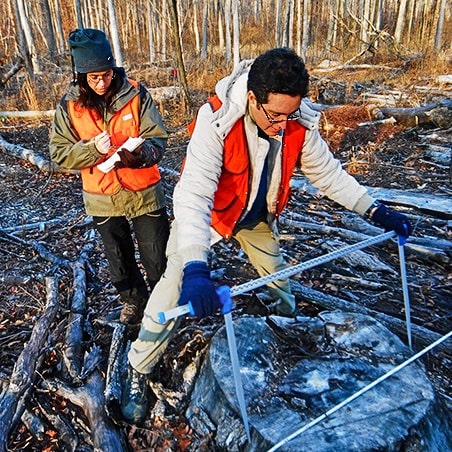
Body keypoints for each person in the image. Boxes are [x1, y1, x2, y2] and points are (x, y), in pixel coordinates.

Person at [120, 48, 412, 423]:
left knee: (279, 284)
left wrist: (373, 209)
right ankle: (138, 367)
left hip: (257, 218)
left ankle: (284, 333)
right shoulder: (217, 119)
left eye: (289, 115)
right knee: (171, 291)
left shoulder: (297, 122)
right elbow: (194, 194)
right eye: (275, 115)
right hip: (213, 217)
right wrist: (196, 266)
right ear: (253, 98)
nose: (281, 124)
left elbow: (327, 173)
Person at [49, 29, 169, 326]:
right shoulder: (70, 105)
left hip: (144, 191)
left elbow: (158, 139)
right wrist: (91, 150)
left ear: (113, 67)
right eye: (94, 78)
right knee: (118, 259)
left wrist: (142, 156)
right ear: (81, 75)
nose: (101, 82)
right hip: (102, 196)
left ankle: (165, 303)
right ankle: (134, 302)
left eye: (106, 74)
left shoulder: (136, 93)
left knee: (157, 255)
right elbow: (59, 153)